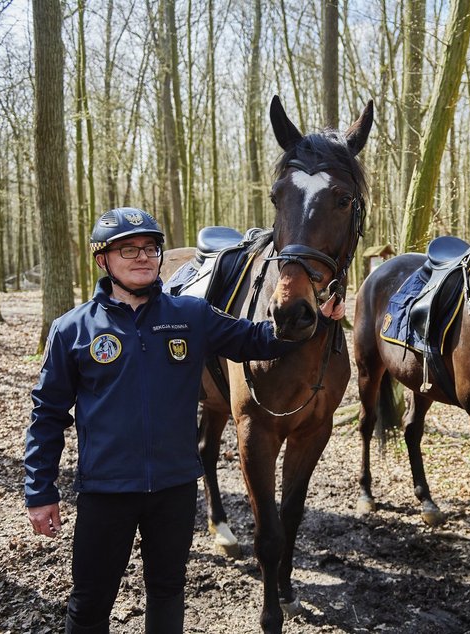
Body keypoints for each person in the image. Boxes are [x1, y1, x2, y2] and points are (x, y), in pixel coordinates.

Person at [24, 207, 344, 633]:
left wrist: (317, 320)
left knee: (168, 592)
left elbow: (258, 340)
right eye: (128, 249)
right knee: (89, 600)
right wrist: (39, 490)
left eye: (151, 247)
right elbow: (47, 415)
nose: (143, 256)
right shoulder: (72, 329)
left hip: (174, 490)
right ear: (103, 260)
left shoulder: (190, 315)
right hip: (106, 490)